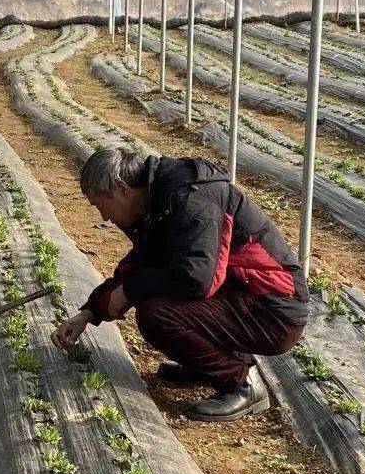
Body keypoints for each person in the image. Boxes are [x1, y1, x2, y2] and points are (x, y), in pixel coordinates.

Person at [52, 147, 308, 421]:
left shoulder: (191, 201)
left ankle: (241, 383)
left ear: (122, 189)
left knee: (157, 314)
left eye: (100, 204)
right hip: (244, 296)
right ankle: (204, 367)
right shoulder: (159, 201)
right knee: (157, 297)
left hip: (274, 310)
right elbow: (142, 262)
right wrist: (90, 313)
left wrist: (129, 291)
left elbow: (196, 279)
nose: (104, 217)